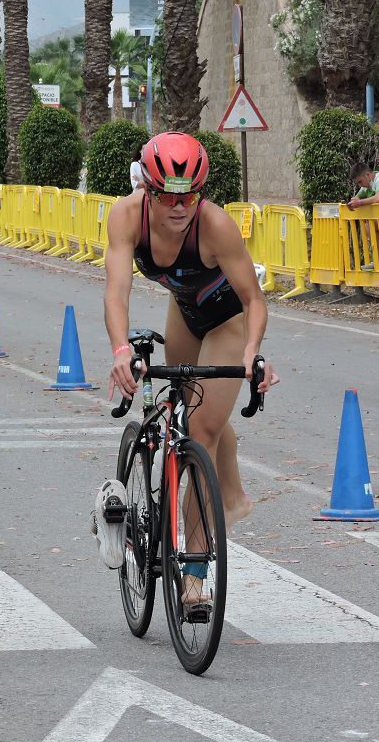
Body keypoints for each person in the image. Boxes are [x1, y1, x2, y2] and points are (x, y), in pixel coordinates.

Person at [103, 132, 278, 603]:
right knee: (186, 410)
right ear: (148, 189)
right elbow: (115, 291)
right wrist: (121, 349)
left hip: (229, 324)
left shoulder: (214, 225)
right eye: (168, 196)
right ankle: (232, 492)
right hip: (185, 313)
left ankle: (195, 576)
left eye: (190, 195)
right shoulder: (126, 216)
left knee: (201, 431)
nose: (180, 207)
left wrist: (253, 351)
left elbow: (254, 299)